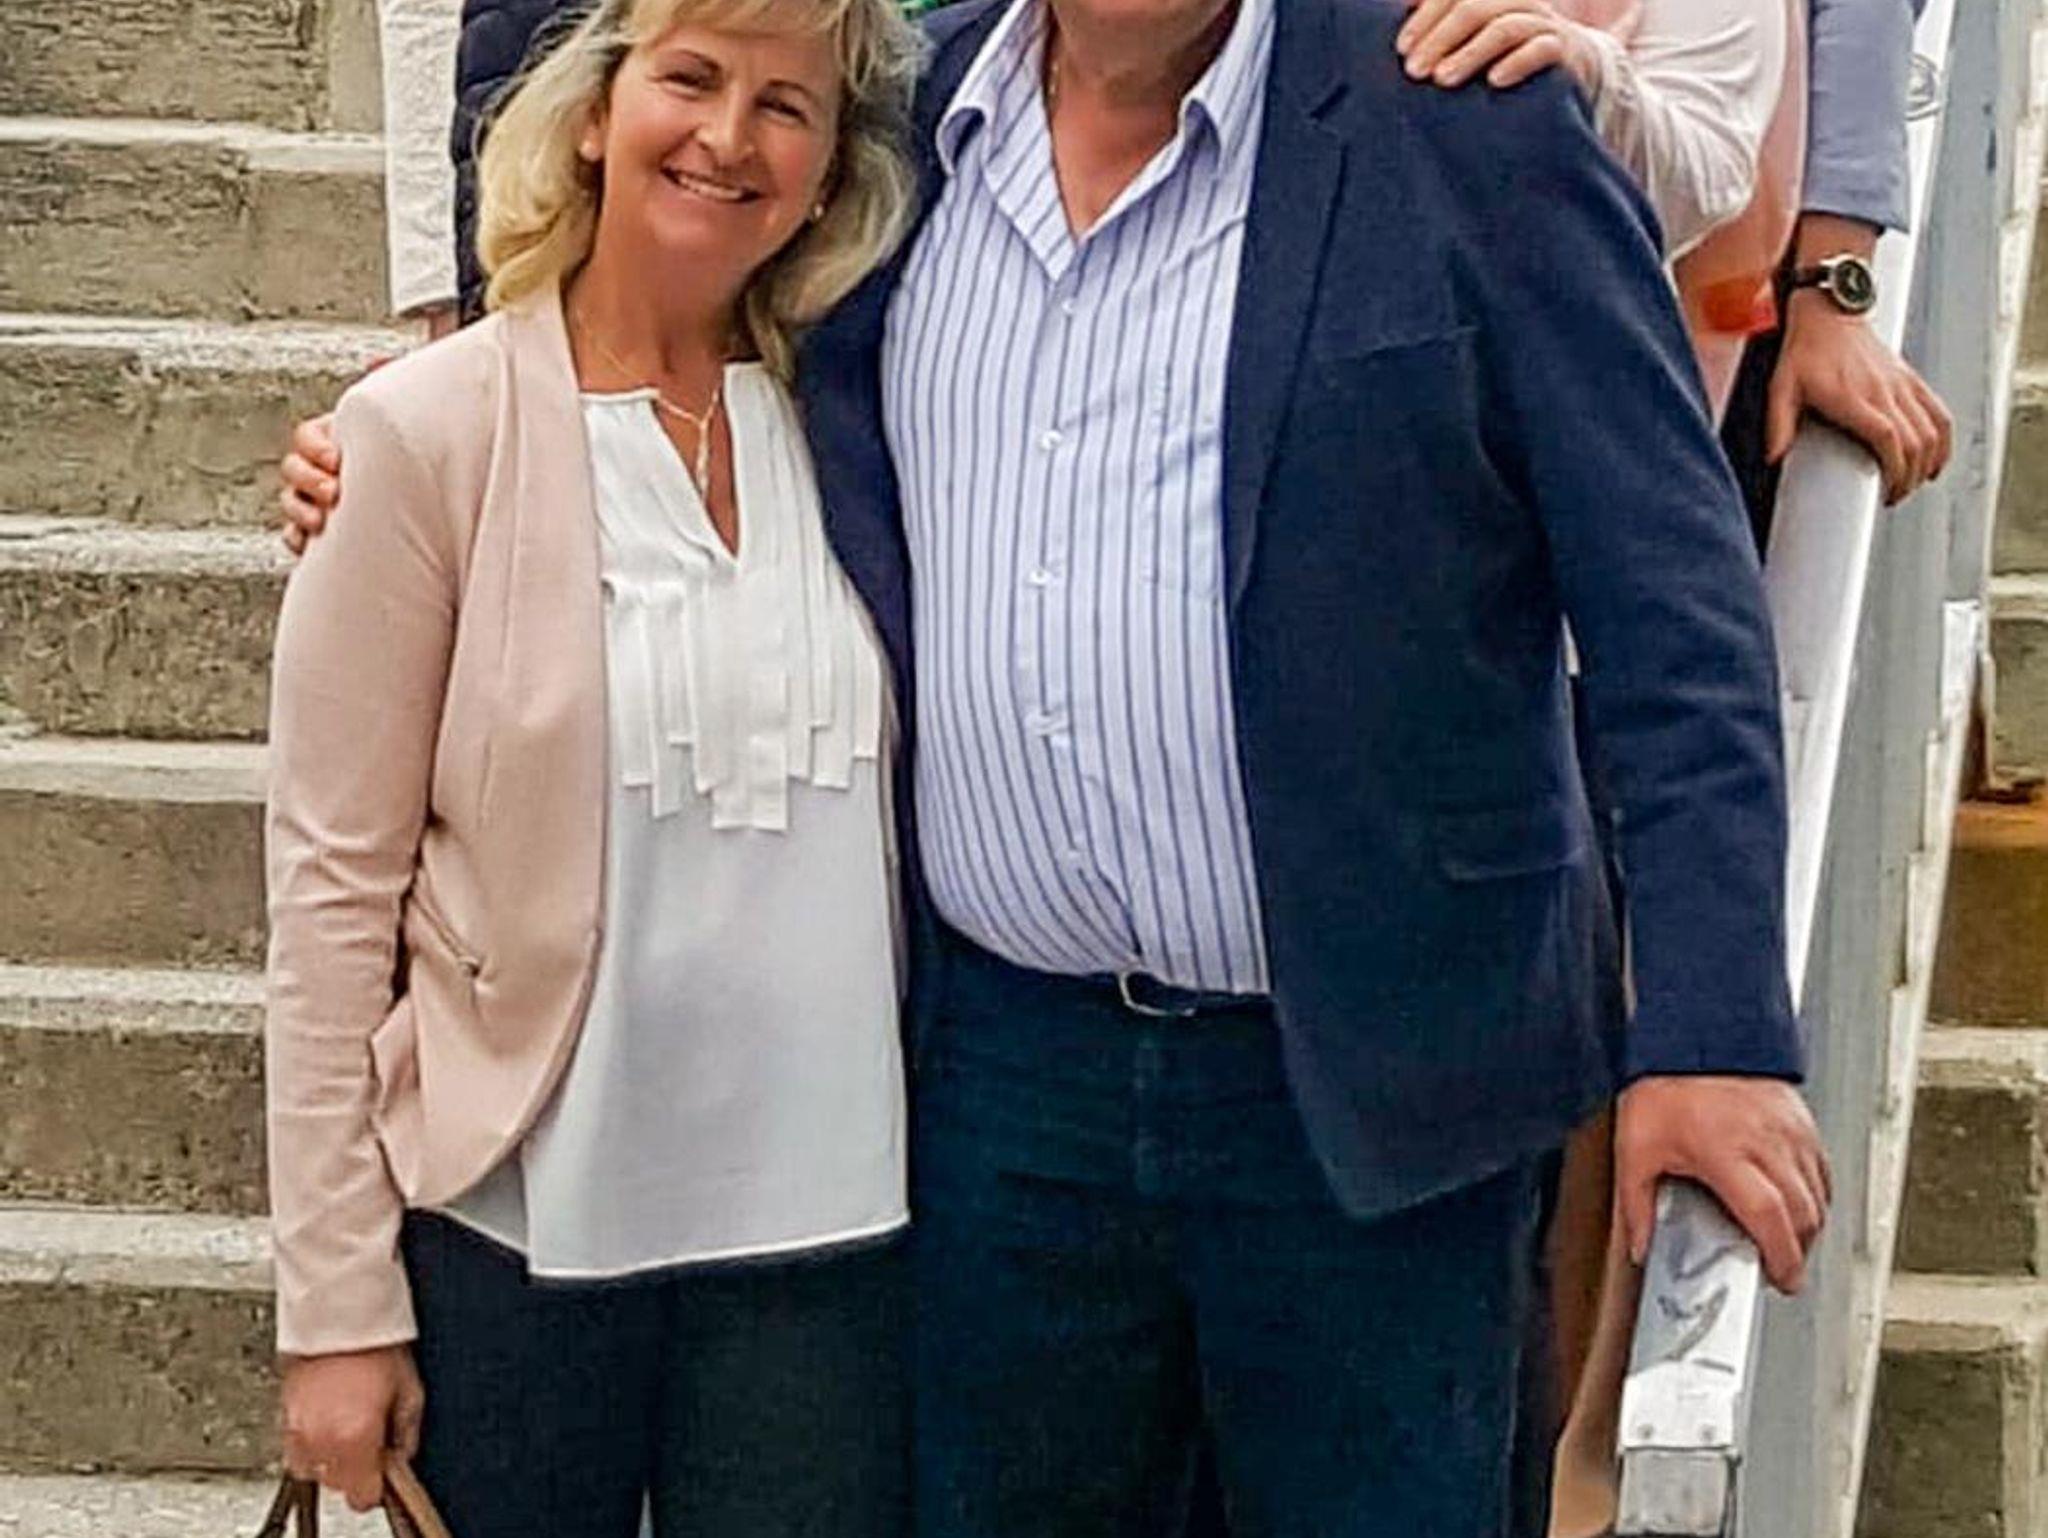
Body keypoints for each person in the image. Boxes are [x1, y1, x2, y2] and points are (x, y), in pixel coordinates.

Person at [284, 0, 1834, 1531]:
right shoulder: (909, 137)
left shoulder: (1460, 121)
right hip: (1006, 1106)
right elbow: (668, 344)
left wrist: (1710, 1031)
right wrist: (415, 453)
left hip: (1367, 1097)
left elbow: (1674, 600)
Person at [263, 2, 924, 1535]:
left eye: (786, 105)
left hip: (831, 1249)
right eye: (689, 79)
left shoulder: (865, 425)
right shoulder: (423, 434)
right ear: (588, 115)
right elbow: (330, 892)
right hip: (522, 1236)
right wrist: (335, 1305)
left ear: (831, 172)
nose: (728, 137)